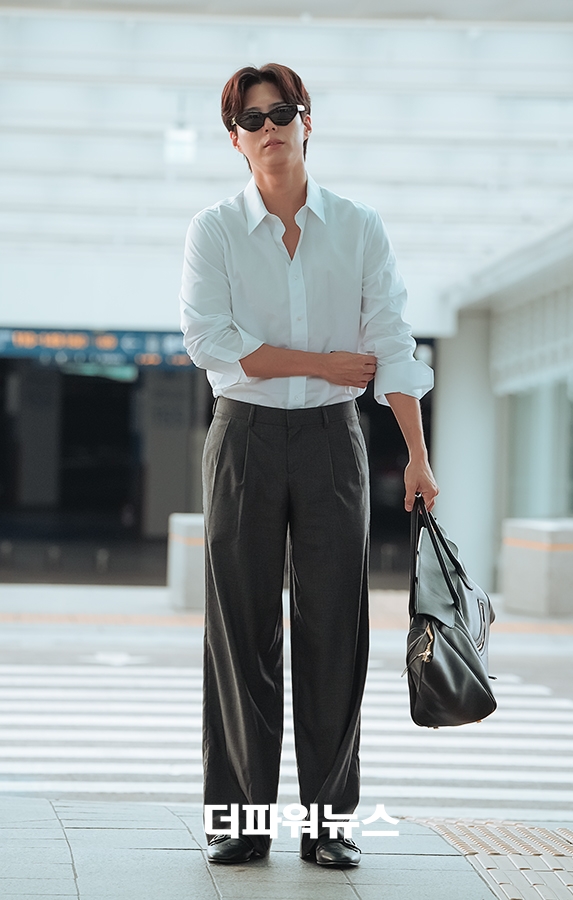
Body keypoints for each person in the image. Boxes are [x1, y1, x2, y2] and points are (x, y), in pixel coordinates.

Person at [180, 63, 438, 868]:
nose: (270, 128)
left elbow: (392, 342)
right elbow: (208, 344)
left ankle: (330, 825)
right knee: (240, 631)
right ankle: (239, 822)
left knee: (334, 629)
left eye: (282, 112)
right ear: (235, 138)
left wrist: (419, 459)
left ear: (307, 121)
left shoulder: (358, 227)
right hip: (244, 440)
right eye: (252, 120)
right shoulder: (214, 231)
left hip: (334, 443)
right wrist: (322, 363)